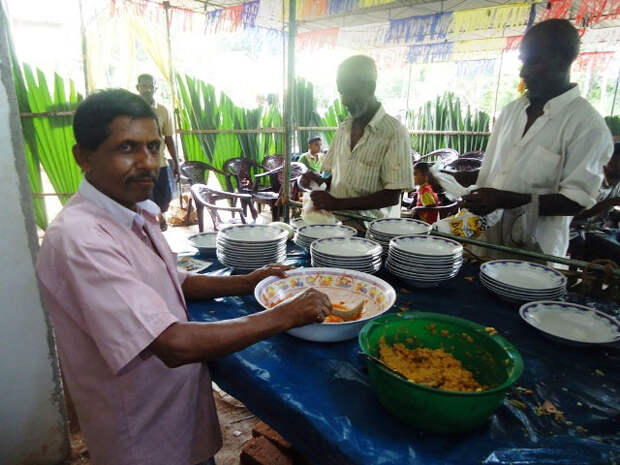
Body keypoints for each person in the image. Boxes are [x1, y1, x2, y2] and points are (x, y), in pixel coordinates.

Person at [35, 89, 332, 465]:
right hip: (142, 437)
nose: (148, 163)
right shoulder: (80, 239)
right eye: (127, 148)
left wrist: (250, 279)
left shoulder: (132, 211)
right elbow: (172, 344)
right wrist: (285, 314)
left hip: (176, 415)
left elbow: (174, 279)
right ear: (84, 157)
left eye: (154, 147)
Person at [456, 19, 613, 258]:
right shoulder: (511, 112)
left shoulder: (587, 125)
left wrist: (503, 200)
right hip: (483, 243)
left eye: (533, 62)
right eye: (523, 62)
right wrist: (455, 179)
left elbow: (577, 201)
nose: (523, 72)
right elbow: (497, 173)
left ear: (562, 60)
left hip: (534, 255)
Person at [300, 55, 414, 229]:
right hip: (338, 227)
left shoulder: (394, 132)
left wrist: (337, 204)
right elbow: (340, 177)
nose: (344, 100)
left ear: (370, 88)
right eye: (341, 92)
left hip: (373, 234)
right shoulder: (343, 128)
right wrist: (321, 183)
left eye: (350, 92)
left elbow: (391, 195)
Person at [136, 73, 179, 229]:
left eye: (150, 86)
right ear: (137, 88)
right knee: (145, 198)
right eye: (144, 86)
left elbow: (168, 138)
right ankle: (151, 227)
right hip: (139, 164)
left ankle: (160, 219)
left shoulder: (163, 110)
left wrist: (176, 163)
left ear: (155, 88)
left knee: (164, 198)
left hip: (159, 163)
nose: (147, 89)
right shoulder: (130, 110)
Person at [569, 144, 620, 263]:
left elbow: (612, 213)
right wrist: (610, 202)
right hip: (578, 231)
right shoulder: (591, 180)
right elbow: (574, 214)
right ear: (610, 161)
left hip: (600, 229)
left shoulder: (617, 183)